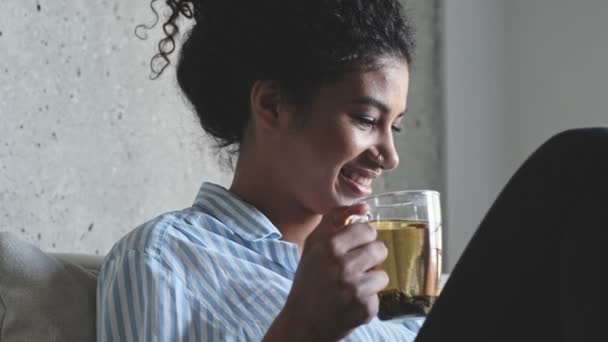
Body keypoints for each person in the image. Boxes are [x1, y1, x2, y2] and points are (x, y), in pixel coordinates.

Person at [97, 0, 608, 341]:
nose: (388, 156)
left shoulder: (389, 284)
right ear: (273, 104)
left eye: (396, 128)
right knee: (583, 166)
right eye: (366, 119)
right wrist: (300, 329)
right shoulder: (164, 259)